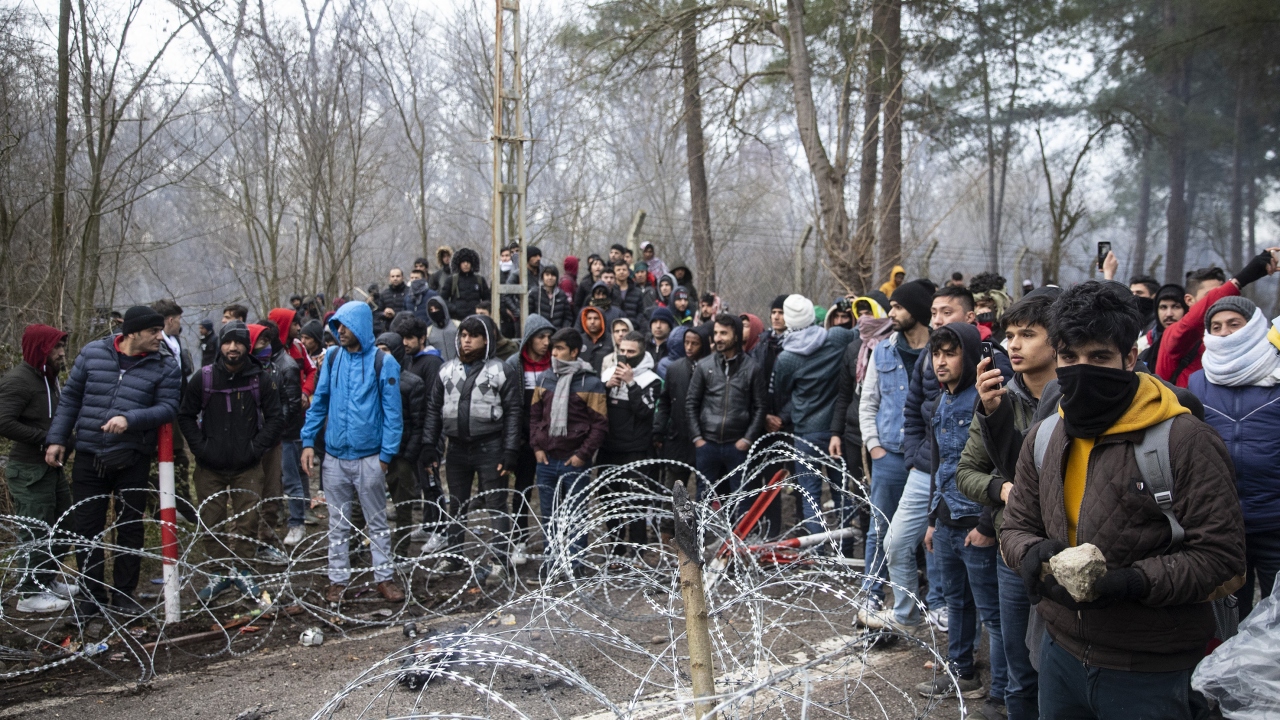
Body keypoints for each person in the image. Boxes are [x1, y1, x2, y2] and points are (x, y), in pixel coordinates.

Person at [1002, 281, 1245, 720]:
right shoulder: (1043, 437)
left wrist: (1132, 583)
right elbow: (1015, 525)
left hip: (1150, 669)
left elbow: (1221, 555)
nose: (1082, 370)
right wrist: (1030, 554)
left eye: (1099, 357)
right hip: (1060, 655)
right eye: (1069, 358)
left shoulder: (1185, 440)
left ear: (1130, 358)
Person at [957, 290, 1060, 720]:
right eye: (1010, 335)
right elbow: (966, 472)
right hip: (1013, 551)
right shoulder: (999, 397)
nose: (1014, 345)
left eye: (1028, 335)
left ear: (1058, 341)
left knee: (1063, 668)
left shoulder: (1078, 401)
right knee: (1021, 672)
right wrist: (1002, 490)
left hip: (1064, 549)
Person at [46, 306, 182, 616]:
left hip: (133, 458)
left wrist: (130, 419)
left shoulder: (165, 365)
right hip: (89, 455)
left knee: (130, 529)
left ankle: (124, 595)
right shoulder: (93, 354)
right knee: (86, 530)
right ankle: (91, 598)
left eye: (161, 331)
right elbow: (71, 399)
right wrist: (57, 439)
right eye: (153, 332)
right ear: (132, 333)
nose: (160, 337)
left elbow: (168, 408)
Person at [915, 322, 1006, 712]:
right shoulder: (940, 402)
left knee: (994, 614)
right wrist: (933, 519)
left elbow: (1001, 465)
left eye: (950, 353)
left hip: (977, 525)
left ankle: (1003, 694)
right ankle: (961, 673)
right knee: (957, 603)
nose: (941, 361)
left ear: (968, 356)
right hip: (947, 520)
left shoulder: (983, 400)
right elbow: (940, 464)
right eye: (937, 354)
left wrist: (986, 526)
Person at [300, 301, 406, 606]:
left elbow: (392, 414)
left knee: (377, 521)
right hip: (334, 457)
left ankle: (384, 578)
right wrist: (308, 441)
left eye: (345, 325)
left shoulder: (382, 363)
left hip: (369, 457)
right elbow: (319, 403)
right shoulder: (332, 360)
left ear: (360, 326)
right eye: (337, 326)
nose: (340, 331)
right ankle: (337, 580)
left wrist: (385, 456)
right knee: (337, 523)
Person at [1187, 296, 1280, 620]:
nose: (1224, 332)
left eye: (1234, 324)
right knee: (1230, 616)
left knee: (1275, 618)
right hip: (1223, 524)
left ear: (1254, 327)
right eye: (1216, 327)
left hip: (1274, 520)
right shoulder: (1198, 381)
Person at [179, 321, 285, 602]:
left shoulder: (260, 379)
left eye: (239, 343)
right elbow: (185, 415)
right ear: (221, 346)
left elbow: (276, 418)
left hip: (248, 466)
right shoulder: (203, 379)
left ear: (247, 346)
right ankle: (218, 573)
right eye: (228, 342)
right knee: (211, 521)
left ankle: (243, 571)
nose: (233, 348)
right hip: (209, 466)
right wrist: (200, 448)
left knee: (248, 521)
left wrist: (255, 448)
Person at [421, 314, 521, 580]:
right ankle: (453, 557)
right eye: (463, 335)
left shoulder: (500, 370)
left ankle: (501, 558)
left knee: (496, 502)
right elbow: (433, 409)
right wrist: (429, 445)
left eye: (473, 336)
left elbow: (513, 412)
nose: (467, 341)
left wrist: (510, 450)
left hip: (491, 445)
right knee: (457, 503)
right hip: (456, 449)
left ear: (486, 340)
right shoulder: (447, 370)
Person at [855, 280, 931, 621]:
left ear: (916, 310)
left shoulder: (939, 352)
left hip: (929, 460)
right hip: (889, 455)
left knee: (931, 532)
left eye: (898, 307)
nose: (891, 313)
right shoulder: (882, 349)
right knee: (879, 529)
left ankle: (933, 601)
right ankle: (872, 592)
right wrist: (874, 447)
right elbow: (868, 402)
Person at [0, 325, 76, 613]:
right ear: (40, 349)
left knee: (63, 524)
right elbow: (3, 422)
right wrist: (46, 440)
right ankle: (29, 593)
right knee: (35, 530)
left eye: (62, 347)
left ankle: (45, 579)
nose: (61, 353)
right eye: (56, 348)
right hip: (29, 470)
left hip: (51, 468)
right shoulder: (19, 381)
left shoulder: (50, 379)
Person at [772, 295, 859, 542]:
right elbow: (860, 337)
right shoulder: (837, 338)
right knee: (842, 492)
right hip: (836, 430)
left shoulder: (786, 358)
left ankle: (817, 554)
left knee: (810, 495)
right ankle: (846, 550)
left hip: (806, 431)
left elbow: (782, 390)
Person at [528, 328, 609, 579]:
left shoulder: (591, 383)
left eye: (560, 349)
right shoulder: (544, 379)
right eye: (553, 348)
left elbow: (599, 425)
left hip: (574, 461)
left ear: (574, 352)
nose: (554, 353)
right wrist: (537, 447)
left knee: (576, 515)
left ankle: (575, 564)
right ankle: (551, 562)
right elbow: (533, 416)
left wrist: (582, 455)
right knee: (549, 516)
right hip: (547, 460)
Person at [1156, 250, 1278, 386]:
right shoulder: (1175, 335)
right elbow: (1191, 322)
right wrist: (1240, 280)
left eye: (1225, 294)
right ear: (1189, 300)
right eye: (1212, 296)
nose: (1221, 301)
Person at [687, 314, 767, 501]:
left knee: (739, 500)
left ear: (736, 335)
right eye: (716, 333)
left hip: (737, 445)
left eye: (724, 333)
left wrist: (747, 440)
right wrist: (698, 438)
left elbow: (761, 407)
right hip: (708, 444)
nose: (718, 338)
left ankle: (735, 531)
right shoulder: (704, 366)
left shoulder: (752, 368)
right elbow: (691, 403)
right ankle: (702, 531)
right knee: (703, 498)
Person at [598, 331, 662, 551]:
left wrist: (631, 384)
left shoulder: (650, 379)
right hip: (609, 447)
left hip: (635, 448)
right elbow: (595, 409)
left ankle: (638, 547)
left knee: (635, 500)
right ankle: (616, 546)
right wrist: (605, 389)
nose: (625, 355)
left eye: (631, 351)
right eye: (622, 350)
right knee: (608, 498)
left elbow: (646, 412)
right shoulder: (608, 373)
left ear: (641, 352)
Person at [506, 314, 556, 565]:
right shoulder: (514, 365)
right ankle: (519, 539)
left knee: (553, 491)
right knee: (522, 491)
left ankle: (555, 540)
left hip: (551, 439)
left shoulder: (555, 364)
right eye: (541, 337)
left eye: (549, 337)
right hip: (524, 440)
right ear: (529, 338)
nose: (546, 342)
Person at [256, 319, 310, 550]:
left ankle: (297, 522)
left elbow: (290, 404)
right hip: (273, 434)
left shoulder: (285, 365)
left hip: (285, 434)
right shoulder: (265, 362)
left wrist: (275, 430)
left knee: (290, 479)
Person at [372, 332, 426, 554]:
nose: (381, 354)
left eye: (386, 350)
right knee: (365, 505)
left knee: (402, 506)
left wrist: (408, 455)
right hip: (373, 452)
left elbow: (418, 423)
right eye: (379, 350)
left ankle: (400, 550)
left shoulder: (412, 383)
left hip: (401, 454)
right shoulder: (370, 378)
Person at [1137, 284, 1186, 368]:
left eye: (1176, 307)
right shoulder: (1143, 345)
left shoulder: (1197, 345)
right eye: (1163, 307)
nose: (1169, 314)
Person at [441, 247, 490, 320]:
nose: (466, 264)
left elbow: (487, 299)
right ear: (459, 264)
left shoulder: (480, 280)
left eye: (468, 262)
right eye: (463, 262)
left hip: (476, 318)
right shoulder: (452, 280)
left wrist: (481, 311)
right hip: (457, 319)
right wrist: (453, 308)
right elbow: (442, 299)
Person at [529, 262, 573, 329]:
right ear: (542, 276)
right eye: (547, 275)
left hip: (557, 334)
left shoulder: (561, 295)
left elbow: (568, 317)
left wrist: (562, 330)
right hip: (539, 332)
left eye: (553, 275)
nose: (550, 278)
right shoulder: (534, 293)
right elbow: (529, 315)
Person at [576, 306, 611, 372]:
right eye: (589, 318)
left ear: (602, 320)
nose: (592, 322)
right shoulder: (579, 340)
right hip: (582, 380)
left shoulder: (611, 340)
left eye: (596, 318)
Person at [425, 295, 458, 362]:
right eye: (431, 310)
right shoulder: (428, 332)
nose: (434, 312)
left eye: (436, 308)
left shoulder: (457, 325)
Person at [377, 268, 410, 334]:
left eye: (398, 276)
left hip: (406, 329)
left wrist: (395, 314)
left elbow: (410, 312)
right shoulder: (384, 294)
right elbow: (377, 313)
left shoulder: (409, 292)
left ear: (402, 277)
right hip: (388, 330)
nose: (395, 278)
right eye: (393, 276)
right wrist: (384, 314)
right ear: (389, 278)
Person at [612, 261, 646, 325]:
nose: (621, 272)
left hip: (633, 328)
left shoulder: (637, 292)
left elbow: (641, 312)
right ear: (614, 273)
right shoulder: (610, 291)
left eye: (624, 270)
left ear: (628, 272)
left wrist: (636, 323)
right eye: (618, 270)